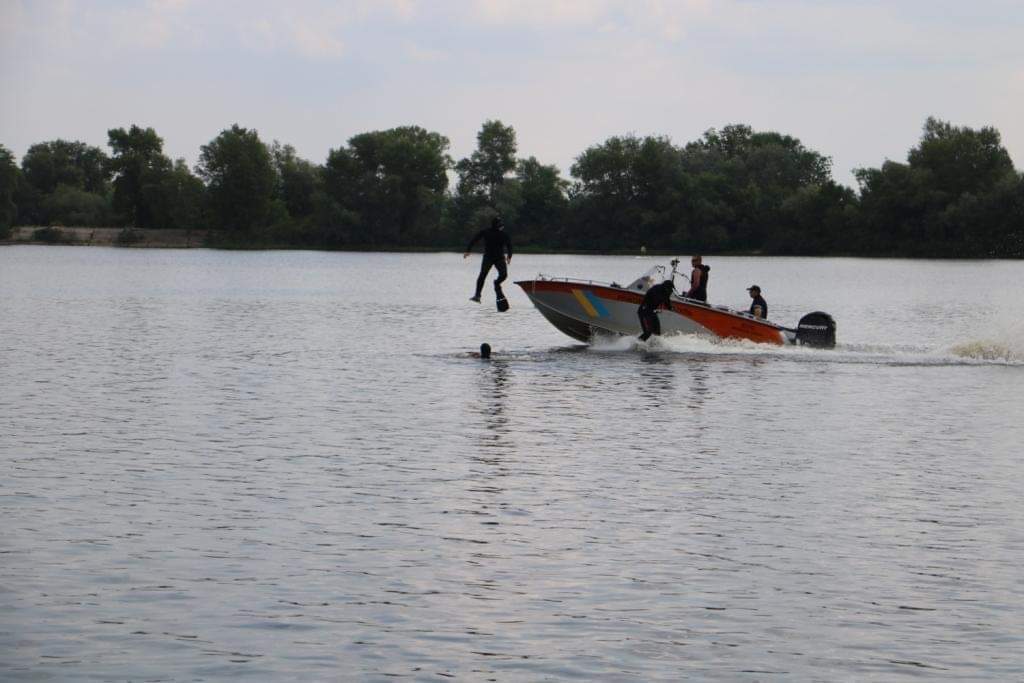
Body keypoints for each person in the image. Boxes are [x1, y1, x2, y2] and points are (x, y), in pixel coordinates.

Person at [464, 217, 512, 303]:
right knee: (482, 275)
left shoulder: (503, 234)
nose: (502, 227)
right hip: (488, 257)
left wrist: (509, 256)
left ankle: (496, 283)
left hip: (499, 258)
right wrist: (468, 250)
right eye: (500, 225)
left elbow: (509, 245)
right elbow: (475, 239)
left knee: (504, 275)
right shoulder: (486, 232)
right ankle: (477, 295)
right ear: (497, 225)